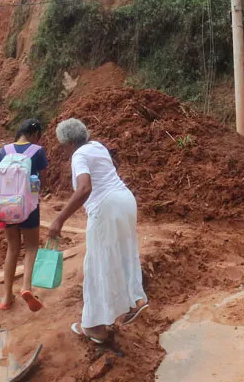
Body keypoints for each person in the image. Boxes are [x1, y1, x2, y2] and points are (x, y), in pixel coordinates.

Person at [48, 118, 148, 343]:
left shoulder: (78, 155)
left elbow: (85, 187)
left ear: (68, 143)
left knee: (97, 264)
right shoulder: (98, 147)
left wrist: (59, 220)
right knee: (123, 254)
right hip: (125, 201)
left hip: (106, 208)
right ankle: (134, 301)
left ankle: (94, 327)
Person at [0, 118, 48, 311]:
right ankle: (26, 287)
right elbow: (42, 178)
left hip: (7, 206)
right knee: (32, 246)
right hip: (29, 207)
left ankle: (6, 297)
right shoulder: (37, 151)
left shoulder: (4, 150)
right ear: (35, 134)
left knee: (12, 248)